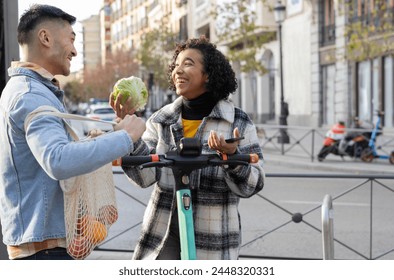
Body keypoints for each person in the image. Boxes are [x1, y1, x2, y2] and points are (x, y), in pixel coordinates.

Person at [0, 4, 146, 260]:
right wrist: (125, 137)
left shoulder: (30, 89)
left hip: (41, 243)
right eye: (71, 39)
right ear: (45, 38)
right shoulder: (31, 94)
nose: (75, 51)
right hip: (43, 250)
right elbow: (57, 159)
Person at [111, 36, 265, 260]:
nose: (178, 71)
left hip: (213, 240)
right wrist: (131, 136)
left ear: (208, 74)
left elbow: (253, 184)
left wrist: (233, 158)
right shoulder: (161, 119)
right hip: (162, 236)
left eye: (188, 64)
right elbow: (144, 177)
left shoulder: (237, 122)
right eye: (176, 66)